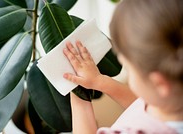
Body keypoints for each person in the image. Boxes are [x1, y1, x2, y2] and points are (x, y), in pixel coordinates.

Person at [63, 0, 183, 133]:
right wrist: (98, 81)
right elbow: (140, 104)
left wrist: (77, 95)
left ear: (159, 83)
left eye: (129, 69)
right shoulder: (168, 103)